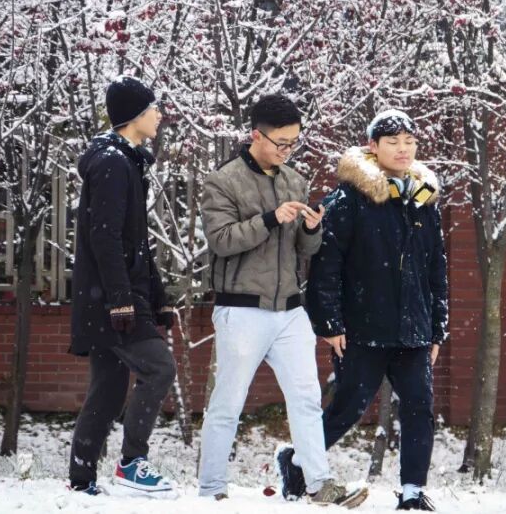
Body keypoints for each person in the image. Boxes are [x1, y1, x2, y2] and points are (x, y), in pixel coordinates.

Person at [197, 94, 366, 508]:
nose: (288, 150)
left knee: (307, 399)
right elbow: (221, 241)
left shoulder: (295, 180)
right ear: (256, 135)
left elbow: (305, 251)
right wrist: (271, 218)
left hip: (291, 310)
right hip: (241, 308)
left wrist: (311, 228)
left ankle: (319, 483)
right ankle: (211, 489)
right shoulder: (223, 180)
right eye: (281, 143)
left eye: (294, 142)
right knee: (228, 403)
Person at [300, 109, 449, 511]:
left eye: (409, 142)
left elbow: (436, 269)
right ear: (373, 146)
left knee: (419, 407)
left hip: (413, 331)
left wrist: (437, 329)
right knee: (348, 408)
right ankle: (297, 465)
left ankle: (412, 492)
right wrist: (330, 323)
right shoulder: (349, 199)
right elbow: (327, 265)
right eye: (393, 142)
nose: (403, 149)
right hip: (362, 327)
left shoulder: (423, 200)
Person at [68, 77, 178, 497]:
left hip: (112, 296)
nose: (159, 115)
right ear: (134, 116)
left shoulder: (125, 161)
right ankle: (132, 462)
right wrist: (120, 301)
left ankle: (81, 480)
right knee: (159, 368)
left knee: (109, 389)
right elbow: (105, 237)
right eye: (153, 108)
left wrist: (158, 298)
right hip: (112, 298)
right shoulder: (113, 164)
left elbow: (135, 242)